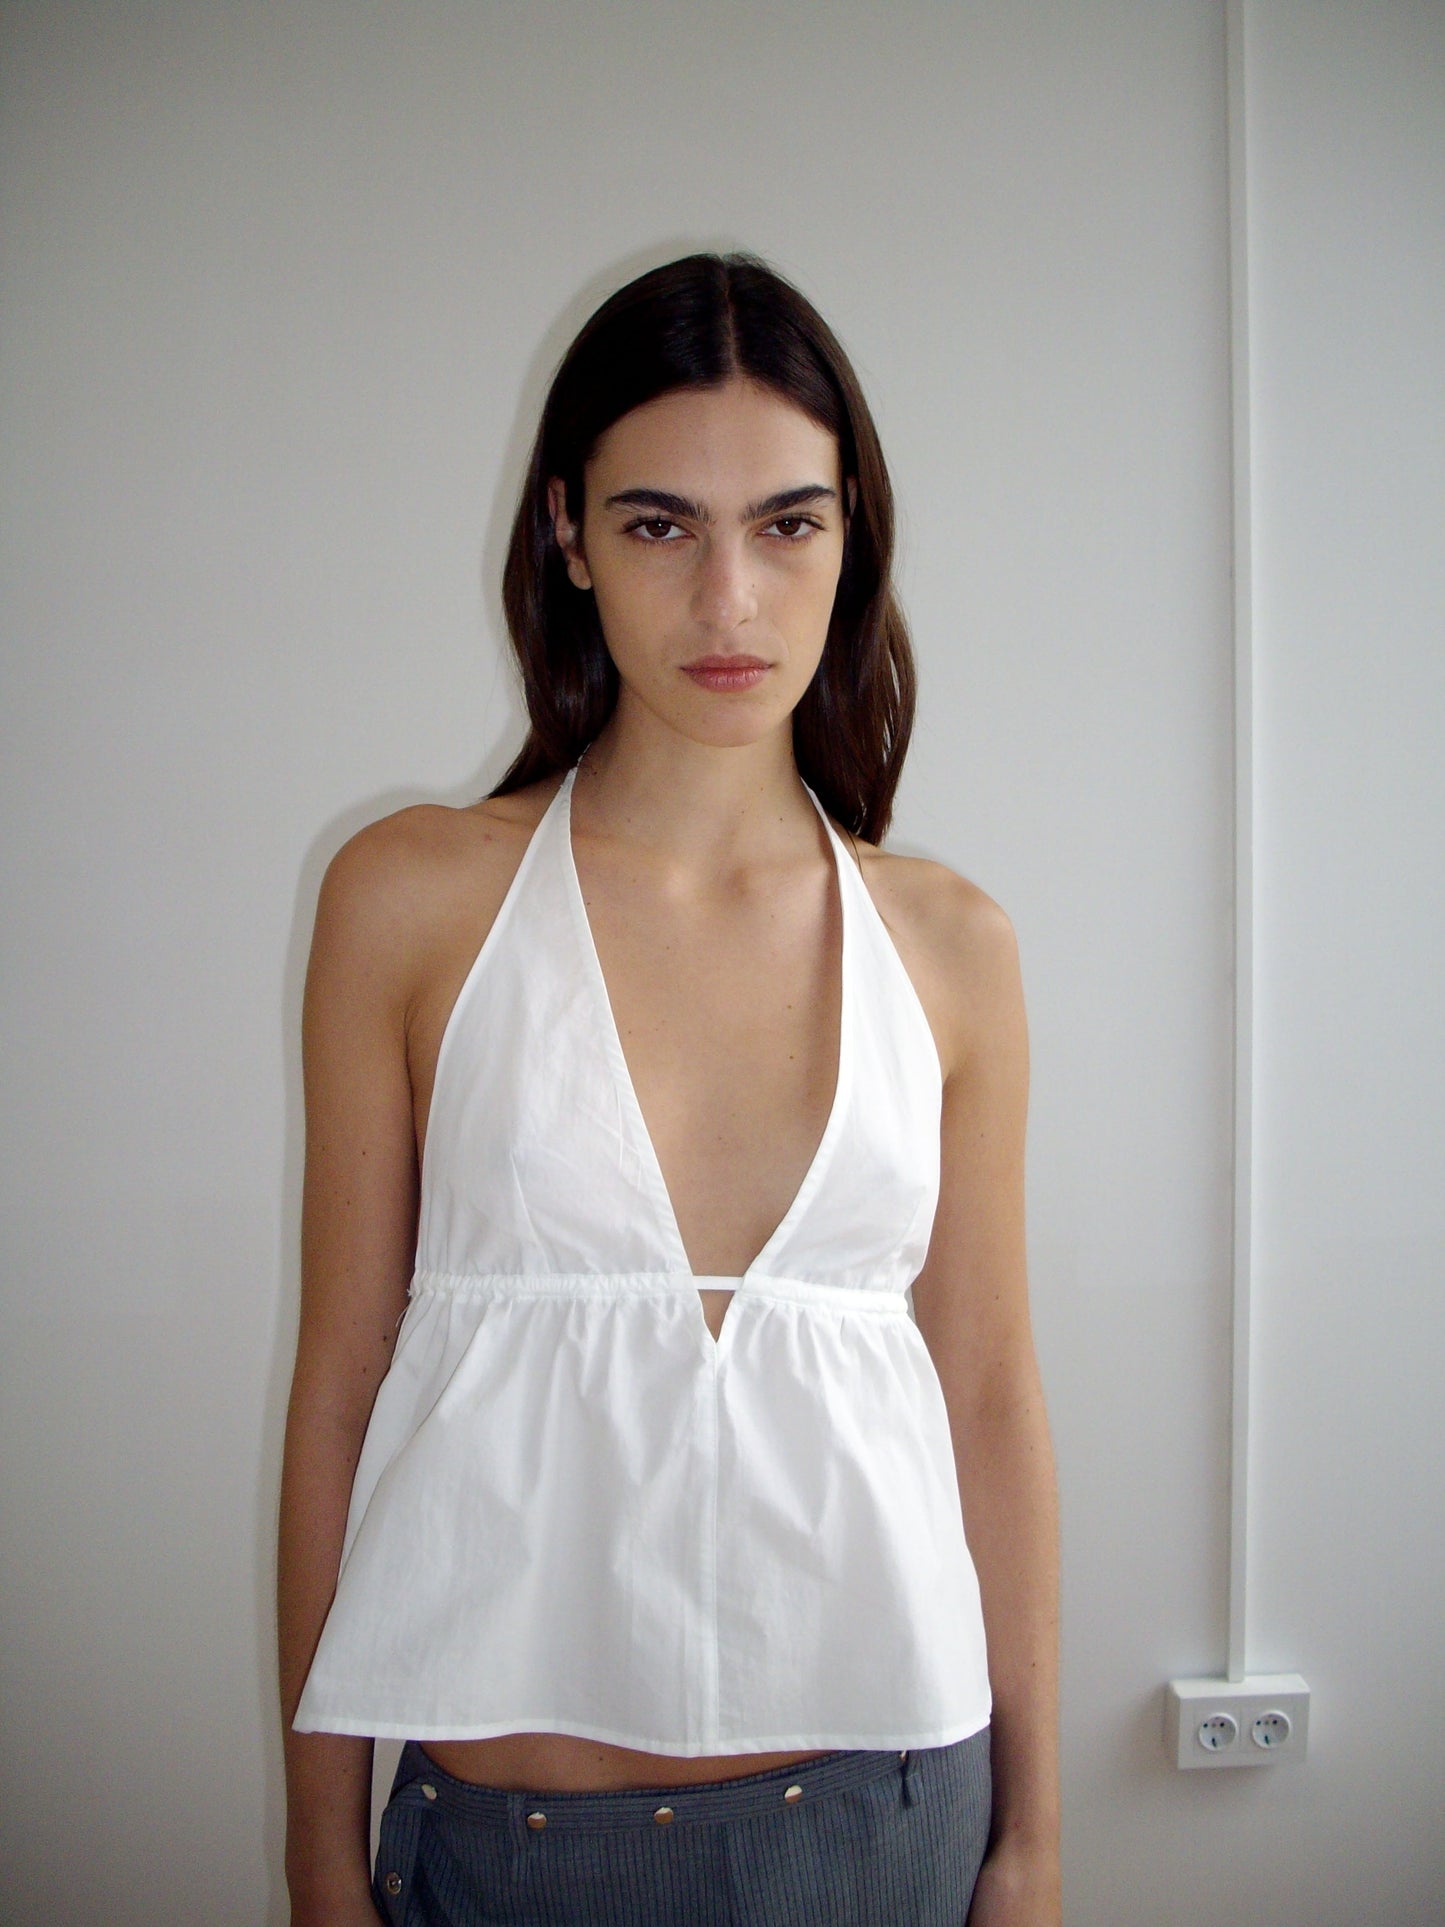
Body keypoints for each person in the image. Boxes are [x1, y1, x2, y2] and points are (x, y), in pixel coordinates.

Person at [277, 251, 1060, 1926]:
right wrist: (318, 1859)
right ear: (564, 532)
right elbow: (341, 1382)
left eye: (787, 524)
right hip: (505, 1851)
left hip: (887, 1822)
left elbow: (986, 1392)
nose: (728, 604)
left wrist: (1035, 1844)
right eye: (657, 525)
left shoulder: (950, 944)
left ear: (853, 542)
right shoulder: (410, 900)